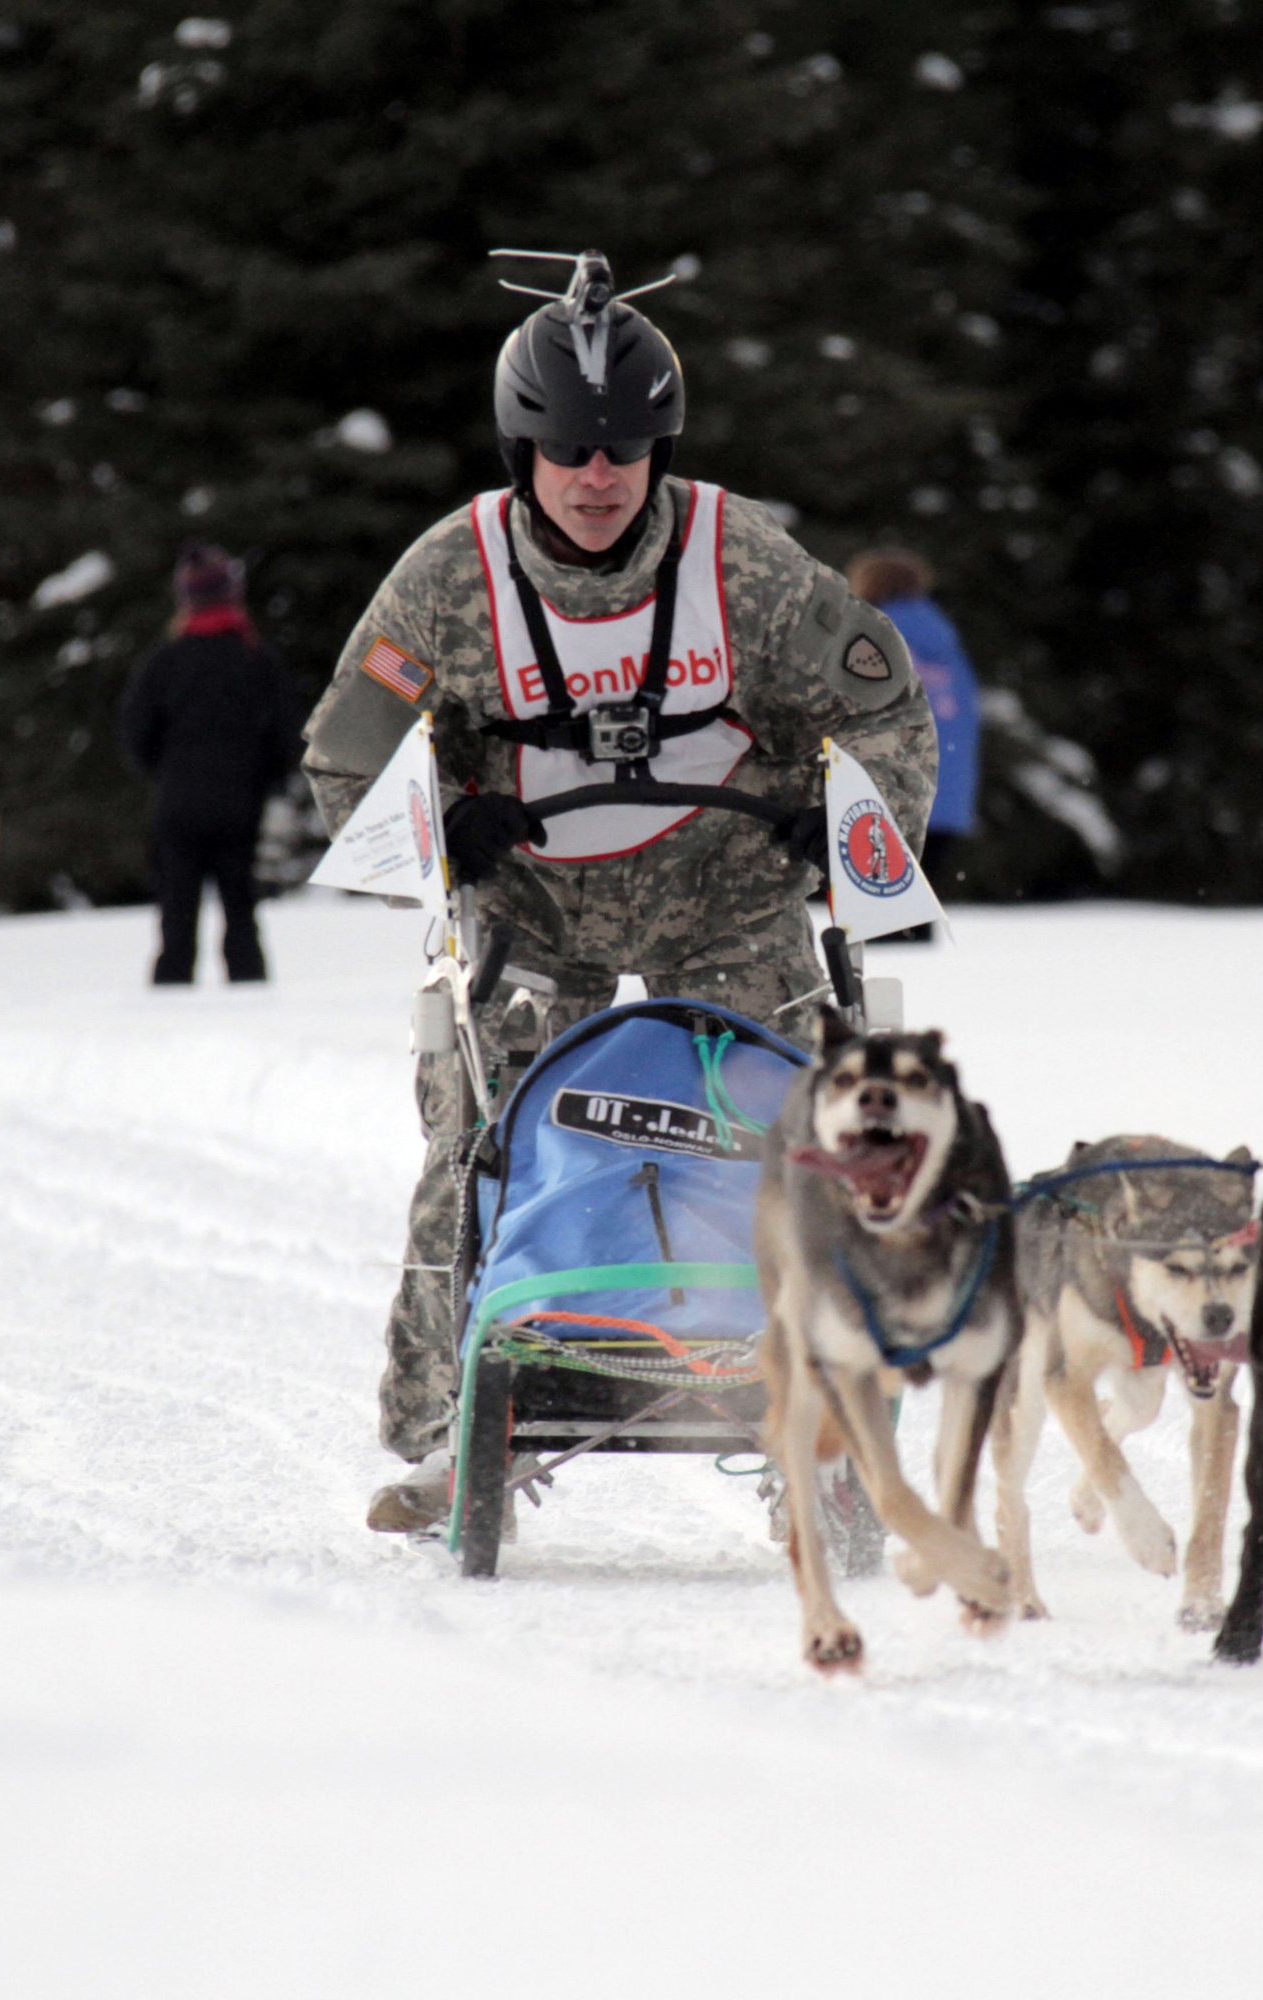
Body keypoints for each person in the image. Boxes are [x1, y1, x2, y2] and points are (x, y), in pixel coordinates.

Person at [300, 254, 936, 1533]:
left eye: (624, 449)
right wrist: (441, 832)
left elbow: (884, 704)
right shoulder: (447, 578)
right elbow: (345, 751)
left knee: (814, 1125)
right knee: (475, 1138)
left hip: (729, 895)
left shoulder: (742, 559)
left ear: (661, 447)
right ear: (520, 449)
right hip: (535, 903)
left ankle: (835, 1416)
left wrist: (844, 826)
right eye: (569, 449)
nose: (598, 477)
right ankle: (443, 1425)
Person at [119, 543, 298, 986]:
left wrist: (165, 774)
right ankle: (254, 1009)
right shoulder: (257, 660)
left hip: (178, 805)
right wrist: (268, 782)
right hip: (241, 806)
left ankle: (166, 1015)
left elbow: (133, 734)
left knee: (176, 921)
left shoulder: (164, 662)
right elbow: (286, 736)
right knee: (242, 917)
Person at [848, 547, 980, 896]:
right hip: (945, 787)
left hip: (888, 787)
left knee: (883, 904)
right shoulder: (944, 637)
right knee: (920, 898)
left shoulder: (873, 634)